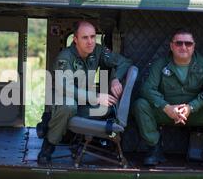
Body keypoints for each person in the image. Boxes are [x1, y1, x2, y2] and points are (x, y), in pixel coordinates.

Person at [132, 29, 203, 172]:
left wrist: (191, 107)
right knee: (140, 104)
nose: (183, 47)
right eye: (179, 43)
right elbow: (147, 89)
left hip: (194, 113)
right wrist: (166, 107)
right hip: (166, 112)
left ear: (194, 46)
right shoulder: (160, 64)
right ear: (171, 46)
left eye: (188, 43)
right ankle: (154, 149)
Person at [38, 20, 132, 163]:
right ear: (75, 39)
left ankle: (67, 131)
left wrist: (115, 79)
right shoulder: (65, 58)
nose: (90, 42)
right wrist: (95, 97)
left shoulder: (98, 51)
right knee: (69, 107)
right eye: (85, 37)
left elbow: (124, 62)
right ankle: (48, 145)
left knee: (105, 108)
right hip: (64, 98)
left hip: (84, 101)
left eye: (93, 37)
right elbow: (65, 88)